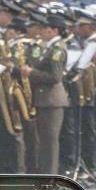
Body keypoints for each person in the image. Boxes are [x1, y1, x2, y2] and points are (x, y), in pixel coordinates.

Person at [22, 13, 69, 175]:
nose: (41, 31)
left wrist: (31, 73)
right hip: (44, 99)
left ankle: (50, 176)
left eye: (45, 28)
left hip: (52, 100)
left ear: (54, 30)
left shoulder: (57, 48)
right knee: (43, 140)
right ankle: (44, 173)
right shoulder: (47, 47)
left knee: (50, 141)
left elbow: (55, 77)